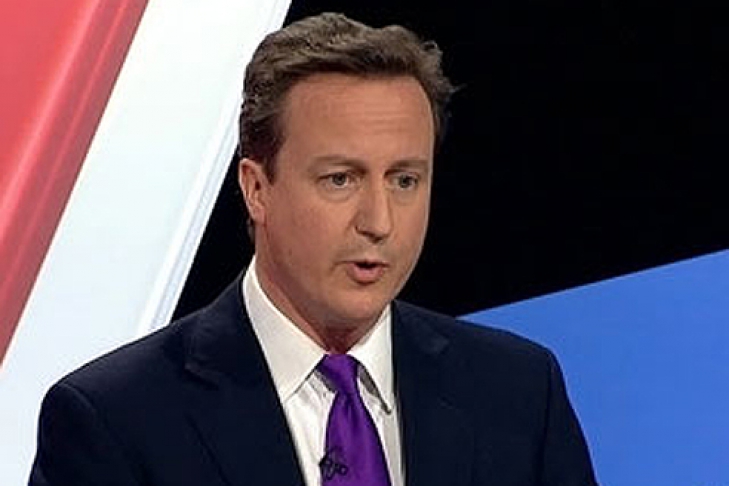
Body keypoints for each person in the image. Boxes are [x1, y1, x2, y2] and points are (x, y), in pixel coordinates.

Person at [29, 12, 598, 486]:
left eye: (404, 180)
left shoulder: (519, 393)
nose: (379, 222)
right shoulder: (115, 422)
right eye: (340, 179)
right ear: (257, 188)